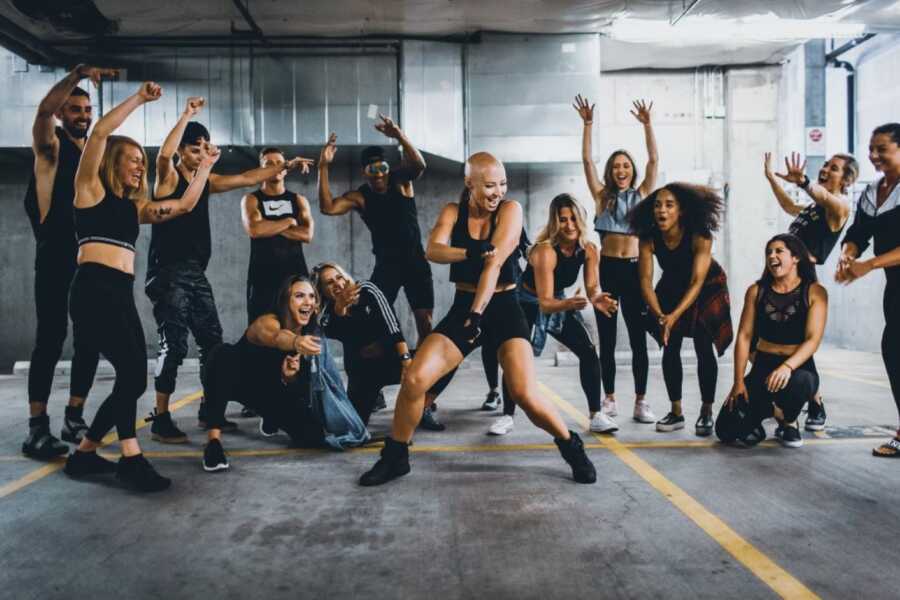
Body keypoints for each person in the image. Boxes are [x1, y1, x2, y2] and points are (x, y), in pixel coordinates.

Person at [359, 152, 598, 486]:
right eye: (489, 185)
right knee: (414, 379)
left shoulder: (511, 211)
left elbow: (494, 264)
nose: (497, 191)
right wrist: (469, 252)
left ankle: (571, 446)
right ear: (469, 183)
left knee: (524, 393)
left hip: (503, 307)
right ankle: (396, 457)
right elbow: (433, 250)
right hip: (463, 305)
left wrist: (476, 314)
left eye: (502, 184)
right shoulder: (452, 212)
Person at [63, 81, 218, 491]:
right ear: (113, 160)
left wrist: (204, 168)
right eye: (132, 159)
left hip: (119, 292)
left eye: (141, 161)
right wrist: (139, 100)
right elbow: (98, 133)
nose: (139, 166)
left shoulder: (135, 210)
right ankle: (131, 458)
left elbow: (184, 205)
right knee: (132, 373)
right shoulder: (89, 192)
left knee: (133, 378)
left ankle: (84, 454)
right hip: (93, 289)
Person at [145, 100, 314, 442]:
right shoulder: (169, 176)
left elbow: (249, 176)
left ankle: (211, 410)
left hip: (196, 272)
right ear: (182, 151)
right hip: (168, 272)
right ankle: (161, 417)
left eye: (206, 149)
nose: (201, 155)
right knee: (174, 345)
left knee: (214, 345)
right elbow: (163, 156)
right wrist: (186, 116)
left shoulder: (205, 180)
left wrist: (287, 166)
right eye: (195, 150)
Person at [22, 65, 115, 458]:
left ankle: (73, 416)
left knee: (90, 340)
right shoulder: (52, 148)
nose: (82, 115)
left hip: (88, 262)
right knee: (51, 339)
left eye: (86, 109)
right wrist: (76, 74)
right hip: (55, 258)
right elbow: (42, 113)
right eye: (74, 109)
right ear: (63, 113)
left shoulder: (92, 155)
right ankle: (36, 428)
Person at [201, 276, 368, 472]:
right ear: (285, 301)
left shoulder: (311, 332)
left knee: (311, 436)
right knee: (221, 354)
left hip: (265, 391)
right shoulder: (267, 321)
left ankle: (270, 417)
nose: (308, 301)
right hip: (235, 380)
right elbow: (276, 337)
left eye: (312, 297)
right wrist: (296, 342)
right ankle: (213, 442)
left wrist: (290, 377)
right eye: (299, 296)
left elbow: (300, 388)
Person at [487, 194, 619, 436]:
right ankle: (507, 416)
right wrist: (569, 303)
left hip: (558, 299)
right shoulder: (545, 251)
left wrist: (597, 298)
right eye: (562, 220)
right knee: (515, 357)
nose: (569, 225)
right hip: (525, 301)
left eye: (573, 219)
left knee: (588, 351)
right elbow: (545, 303)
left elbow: (592, 287)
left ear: (581, 219)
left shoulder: (589, 249)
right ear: (554, 222)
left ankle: (596, 414)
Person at [574, 94, 657, 424]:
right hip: (608, 269)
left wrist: (647, 126)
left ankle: (641, 401)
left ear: (631, 170)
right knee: (606, 341)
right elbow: (587, 162)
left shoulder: (642, 195)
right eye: (616, 166)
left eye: (626, 165)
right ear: (611, 172)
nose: (621, 169)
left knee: (638, 340)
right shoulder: (601, 196)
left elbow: (653, 161)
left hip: (636, 272)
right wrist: (588, 124)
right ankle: (609, 399)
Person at [317, 115, 433, 345]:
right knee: (374, 315)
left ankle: (422, 373)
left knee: (425, 323)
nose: (379, 173)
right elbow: (328, 208)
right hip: (386, 265)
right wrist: (323, 166)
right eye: (373, 168)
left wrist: (399, 135)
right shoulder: (360, 196)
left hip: (415, 261)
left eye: (383, 167)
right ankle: (390, 358)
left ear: (388, 169)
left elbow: (420, 165)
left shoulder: (401, 182)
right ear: (365, 172)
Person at [764, 150, 858, 430]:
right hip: (785, 274)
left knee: (802, 342)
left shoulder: (839, 206)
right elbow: (789, 207)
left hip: (804, 277)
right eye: (826, 165)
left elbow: (825, 197)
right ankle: (802, 400)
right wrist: (771, 178)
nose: (827, 169)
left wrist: (803, 181)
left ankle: (815, 401)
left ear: (847, 180)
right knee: (784, 338)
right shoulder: (813, 208)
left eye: (835, 168)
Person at [630, 183, 733, 436]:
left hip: (707, 286)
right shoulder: (648, 237)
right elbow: (644, 281)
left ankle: (707, 411)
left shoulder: (700, 235)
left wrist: (673, 316)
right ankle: (676, 412)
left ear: (682, 211)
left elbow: (697, 282)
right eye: (657, 205)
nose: (661, 210)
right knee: (670, 344)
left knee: (702, 344)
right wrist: (660, 317)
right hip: (673, 284)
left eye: (669, 205)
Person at [716, 234, 827, 448]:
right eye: (768, 252)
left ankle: (789, 421)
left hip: (798, 367)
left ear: (795, 258)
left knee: (801, 383)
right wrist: (738, 382)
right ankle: (772, 413)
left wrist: (787, 366)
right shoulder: (756, 291)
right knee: (726, 430)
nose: (772, 256)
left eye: (778, 251)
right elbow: (744, 337)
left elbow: (813, 340)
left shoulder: (815, 292)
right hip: (762, 366)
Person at [314, 262, 449, 428]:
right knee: (353, 427)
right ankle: (373, 398)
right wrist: (340, 309)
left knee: (445, 359)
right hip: (363, 373)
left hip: (393, 361)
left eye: (339, 277)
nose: (338, 284)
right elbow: (339, 333)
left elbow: (393, 326)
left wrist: (406, 361)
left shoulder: (367, 289)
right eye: (329, 282)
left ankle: (423, 407)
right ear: (322, 291)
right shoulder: (325, 315)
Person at [836, 122, 900, 458]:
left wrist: (870, 265)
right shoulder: (873, 192)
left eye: (882, 150)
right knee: (893, 353)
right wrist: (849, 255)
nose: (874, 156)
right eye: (871, 149)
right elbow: (859, 233)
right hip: (897, 290)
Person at [243, 147, 314, 323]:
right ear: (261, 169)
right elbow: (255, 230)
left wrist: (270, 227)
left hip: (295, 275)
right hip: (263, 277)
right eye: (269, 164)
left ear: (285, 168)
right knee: (262, 332)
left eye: (279, 163)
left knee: (298, 329)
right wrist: (289, 221)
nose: (275, 167)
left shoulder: (298, 200)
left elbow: (306, 234)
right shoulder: (252, 199)